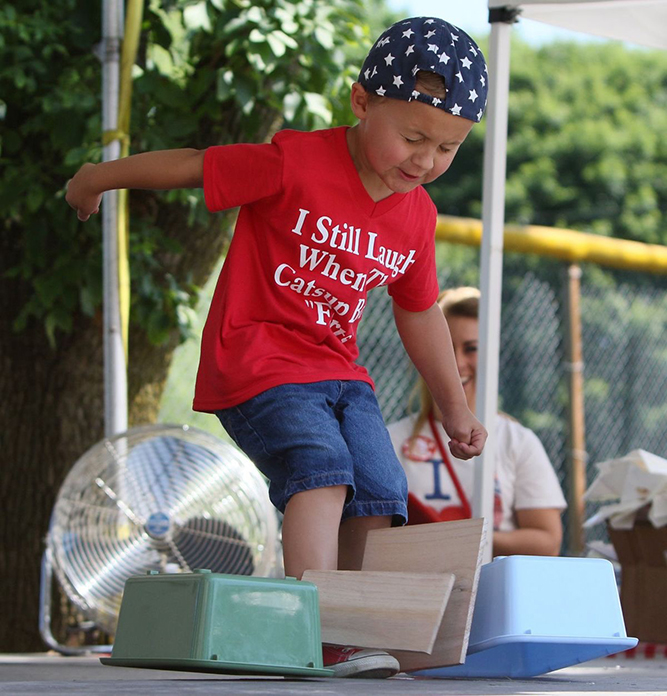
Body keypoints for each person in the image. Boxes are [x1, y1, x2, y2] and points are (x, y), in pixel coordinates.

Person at [66, 17, 489, 677]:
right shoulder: (294, 161)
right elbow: (193, 166)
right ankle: (310, 625)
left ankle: (349, 627)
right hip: (258, 360)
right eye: (411, 137)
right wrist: (98, 177)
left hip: (338, 373)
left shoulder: (416, 216)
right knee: (321, 467)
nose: (425, 160)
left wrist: (454, 407)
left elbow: (418, 313)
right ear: (360, 103)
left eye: (448, 148)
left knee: (380, 486)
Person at [388, 287, 567, 557]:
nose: (457, 362)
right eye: (445, 349)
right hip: (421, 589)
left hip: (495, 589)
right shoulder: (390, 439)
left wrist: (461, 538)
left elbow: (547, 541)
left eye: (471, 349)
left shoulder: (517, 440)